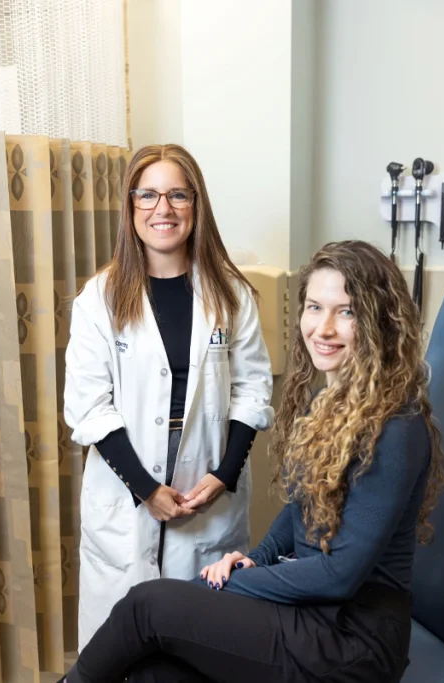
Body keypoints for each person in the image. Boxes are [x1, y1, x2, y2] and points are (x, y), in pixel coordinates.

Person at [62, 240, 444, 683]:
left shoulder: (396, 425)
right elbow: (301, 510)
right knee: (157, 669)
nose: (323, 328)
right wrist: (255, 558)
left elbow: (339, 575)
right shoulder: (334, 402)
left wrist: (233, 583)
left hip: (354, 638)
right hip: (313, 613)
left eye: (347, 312)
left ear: (380, 320)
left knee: (147, 606)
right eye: (314, 306)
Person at [63, 143, 275, 650]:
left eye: (178, 195)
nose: (164, 209)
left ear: (196, 206)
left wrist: (224, 474)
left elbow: (252, 390)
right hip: (125, 504)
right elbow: (89, 407)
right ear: (131, 206)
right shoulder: (99, 299)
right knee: (117, 656)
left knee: (199, 655)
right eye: (149, 195)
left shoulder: (231, 293)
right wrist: (145, 489)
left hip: (208, 502)